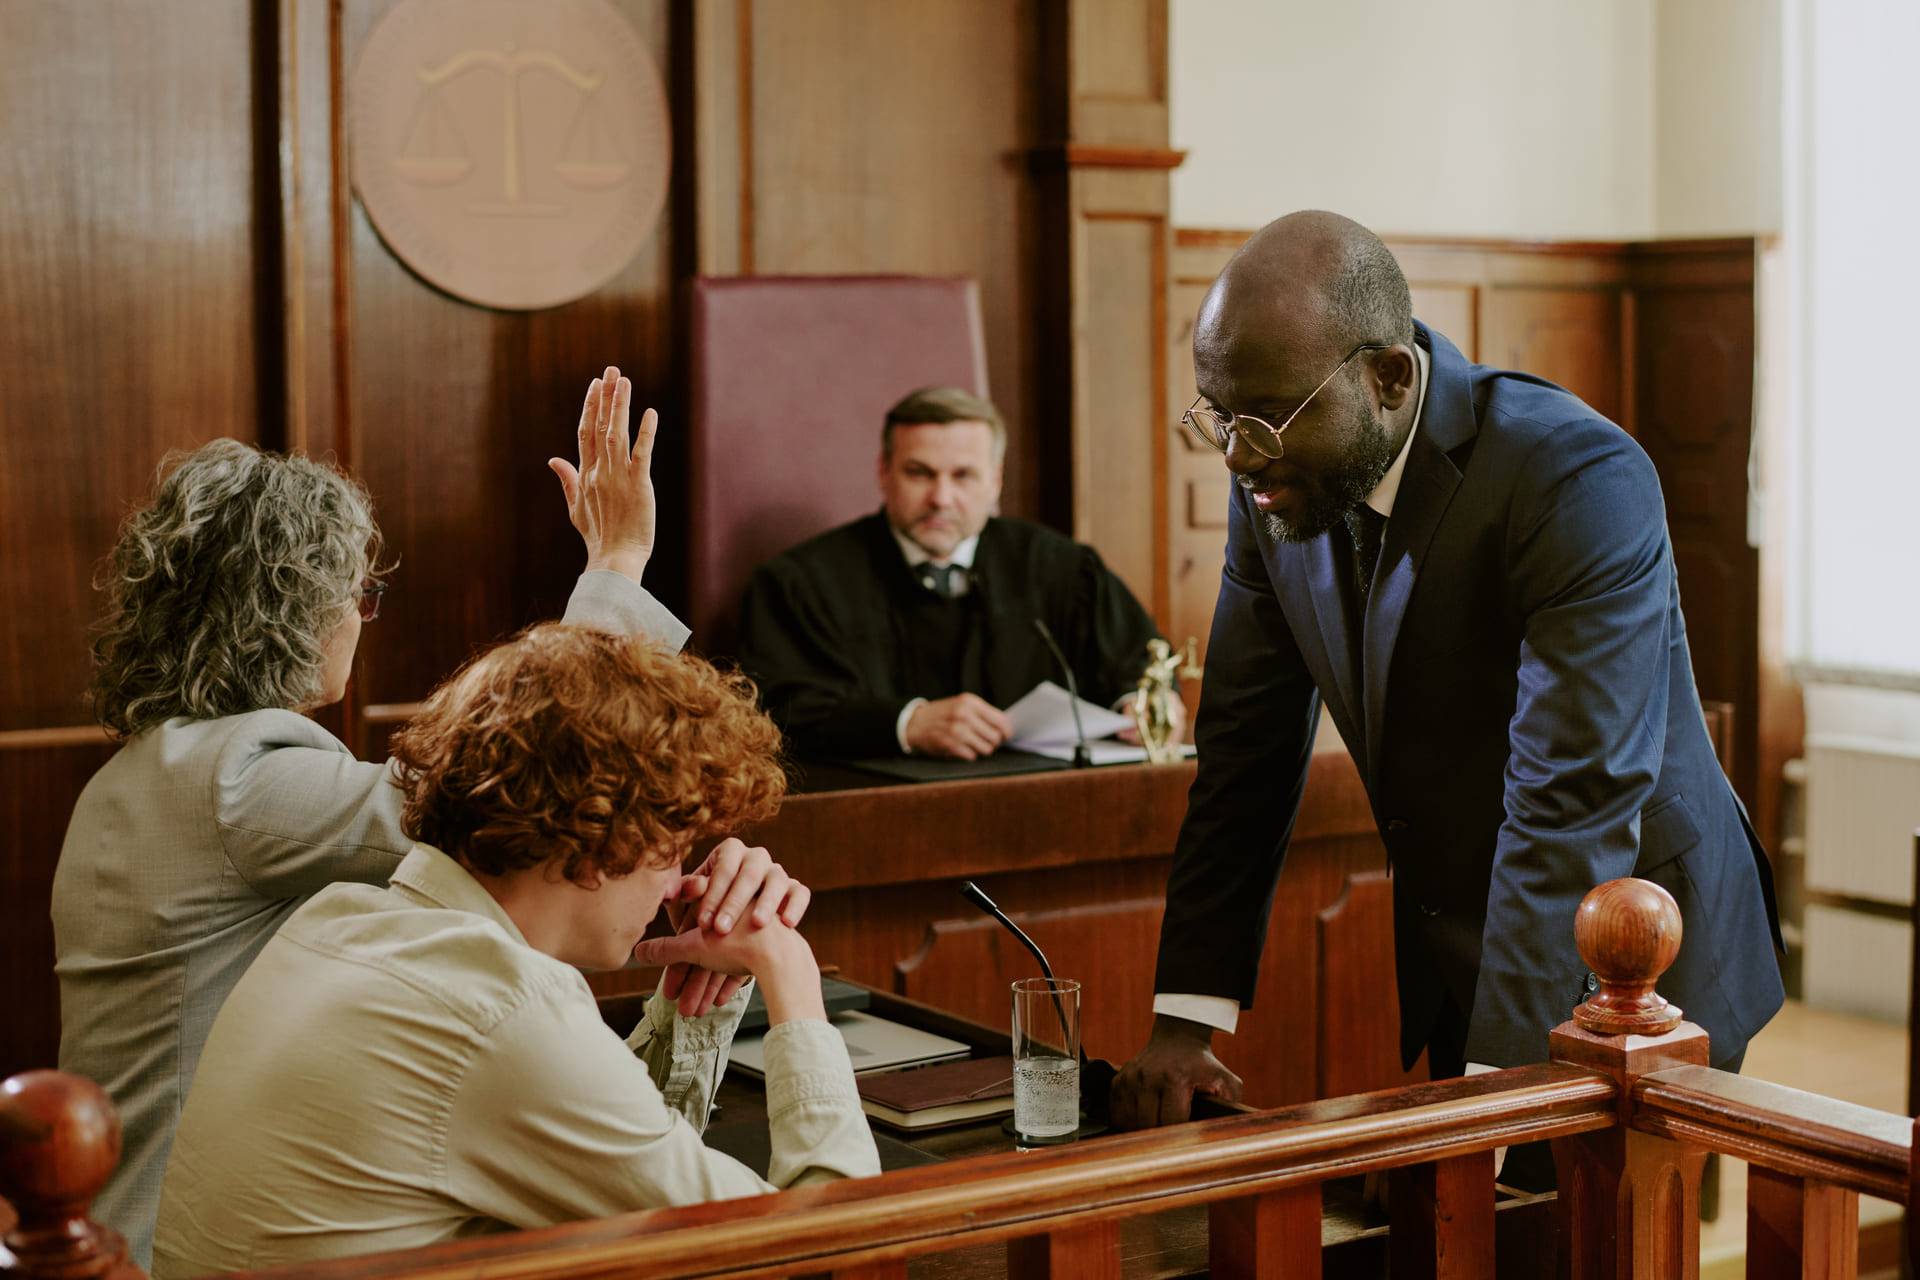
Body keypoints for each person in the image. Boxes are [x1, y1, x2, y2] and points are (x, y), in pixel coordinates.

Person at [1110, 212, 1783, 1180]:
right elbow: (1246, 751)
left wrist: (1499, 1089)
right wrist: (1188, 1014)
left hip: (1634, 955)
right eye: (1216, 415)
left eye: (1261, 419)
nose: (1236, 455)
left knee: (1591, 1239)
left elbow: (1574, 791)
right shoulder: (1276, 468)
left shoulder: (1575, 473)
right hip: (1465, 936)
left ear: (1386, 377)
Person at [52, 368, 686, 1268]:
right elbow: (517, 782)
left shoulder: (157, 765)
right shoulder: (240, 780)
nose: (361, 617)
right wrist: (616, 565)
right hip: (176, 1250)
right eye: (358, 593)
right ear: (295, 611)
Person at [151, 624, 879, 1276]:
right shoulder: (500, 1011)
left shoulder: (334, 922)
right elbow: (833, 1249)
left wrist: (693, 1007)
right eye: (673, 849)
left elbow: (634, 1196)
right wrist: (790, 972)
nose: (676, 886)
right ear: (597, 844)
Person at [736, 386, 1174, 761]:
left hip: (1043, 804)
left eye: (963, 475)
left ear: (995, 482)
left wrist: (1143, 705)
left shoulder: (1062, 568)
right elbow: (778, 709)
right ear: (883, 472)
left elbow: (1134, 661)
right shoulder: (801, 583)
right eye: (919, 473)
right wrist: (906, 724)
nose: (941, 498)